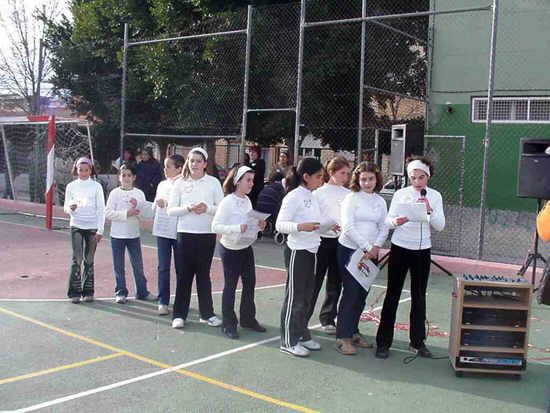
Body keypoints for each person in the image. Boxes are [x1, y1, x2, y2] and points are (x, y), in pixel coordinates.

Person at [375, 156, 445, 359]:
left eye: (421, 178)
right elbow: (388, 221)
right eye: (413, 178)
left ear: (428, 177)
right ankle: (383, 342)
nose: (416, 182)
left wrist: (429, 210)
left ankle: (417, 342)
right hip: (400, 247)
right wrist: (397, 221)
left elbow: (440, 226)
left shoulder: (435, 196)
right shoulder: (400, 194)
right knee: (392, 294)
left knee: (419, 296)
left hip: (422, 250)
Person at [276, 158, 336, 357]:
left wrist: (329, 225)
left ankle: (302, 334)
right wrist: (300, 227)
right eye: (319, 177)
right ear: (306, 177)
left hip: (312, 250)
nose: (321, 180)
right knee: (295, 297)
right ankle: (288, 341)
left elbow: (316, 224)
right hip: (297, 252)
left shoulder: (313, 196)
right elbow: (280, 224)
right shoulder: (293, 197)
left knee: (307, 296)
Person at [167, 147, 224, 329]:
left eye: (199, 161)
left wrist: (206, 208)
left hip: (206, 235)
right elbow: (170, 210)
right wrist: (189, 208)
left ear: (205, 164)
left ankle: (207, 314)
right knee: (184, 276)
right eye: (192, 161)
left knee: (203, 276)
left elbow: (221, 208)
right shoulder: (179, 183)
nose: (195, 164)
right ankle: (179, 315)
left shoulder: (213, 183)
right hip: (185, 234)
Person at [336, 162, 388, 355]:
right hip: (350, 251)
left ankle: (354, 331)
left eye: (371, 179)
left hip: (371, 254)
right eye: (363, 179)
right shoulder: (351, 198)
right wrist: (367, 247)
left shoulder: (380, 201)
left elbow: (384, 227)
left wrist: (375, 247)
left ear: (377, 179)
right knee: (350, 293)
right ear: (357, 179)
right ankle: (343, 337)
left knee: (361, 295)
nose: (367, 182)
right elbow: (348, 228)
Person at [212, 165, 267, 339]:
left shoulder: (247, 201)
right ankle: (229, 324)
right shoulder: (227, 202)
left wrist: (260, 225)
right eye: (248, 180)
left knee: (250, 283)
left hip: (245, 247)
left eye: (252, 180)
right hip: (229, 249)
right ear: (237, 181)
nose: (251, 183)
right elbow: (215, 226)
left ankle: (248, 319)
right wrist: (237, 228)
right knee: (231, 286)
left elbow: (249, 222)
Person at [305, 156, 351, 335]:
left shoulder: (348, 194)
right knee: (314, 281)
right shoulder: (318, 193)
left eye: (347, 174)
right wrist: (327, 224)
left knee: (335, 281)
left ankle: (328, 318)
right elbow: (314, 216)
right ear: (331, 172)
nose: (345, 177)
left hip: (340, 242)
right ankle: (304, 317)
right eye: (342, 173)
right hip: (321, 241)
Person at [105, 164, 156, 304]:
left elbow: (146, 214)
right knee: (119, 265)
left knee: (138, 265)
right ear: (120, 177)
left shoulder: (139, 193)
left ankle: (142, 291)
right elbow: (108, 213)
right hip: (117, 236)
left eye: (129, 175)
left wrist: (138, 209)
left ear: (134, 177)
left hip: (133, 235)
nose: (126, 178)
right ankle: (121, 292)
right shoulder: (114, 193)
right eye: (123, 175)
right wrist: (126, 214)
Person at [64, 157, 105, 304]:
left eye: (86, 170)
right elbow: (66, 208)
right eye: (80, 170)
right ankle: (74, 292)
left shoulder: (96, 187)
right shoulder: (71, 186)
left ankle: (88, 291)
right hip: (76, 226)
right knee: (77, 259)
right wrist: (71, 209)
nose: (83, 172)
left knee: (89, 259)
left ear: (91, 171)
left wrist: (100, 229)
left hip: (92, 228)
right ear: (76, 170)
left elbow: (101, 209)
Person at [153, 154, 184, 315]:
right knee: (163, 267)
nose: (165, 169)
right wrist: (158, 203)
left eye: (168, 166)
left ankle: (180, 302)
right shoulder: (162, 184)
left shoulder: (185, 184)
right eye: (164, 166)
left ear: (179, 168)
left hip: (179, 231)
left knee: (181, 268)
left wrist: (169, 204)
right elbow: (155, 205)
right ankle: (163, 301)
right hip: (162, 230)